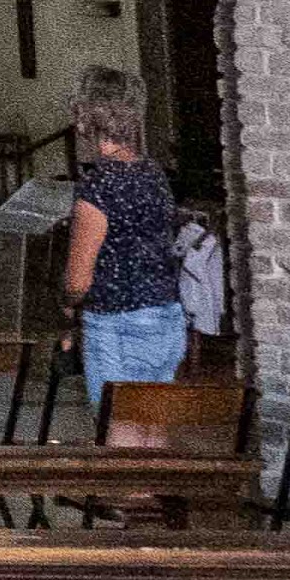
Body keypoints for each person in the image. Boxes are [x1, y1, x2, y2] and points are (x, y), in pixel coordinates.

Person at [61, 65, 186, 412]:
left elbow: (78, 279)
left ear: (86, 116)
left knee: (119, 434)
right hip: (166, 313)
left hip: (116, 322)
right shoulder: (153, 173)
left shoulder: (100, 185)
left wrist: (67, 307)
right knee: (152, 427)